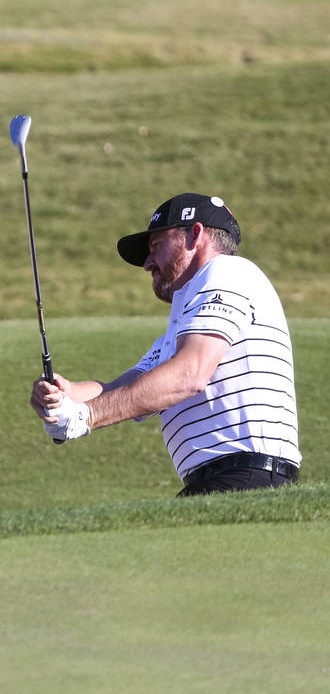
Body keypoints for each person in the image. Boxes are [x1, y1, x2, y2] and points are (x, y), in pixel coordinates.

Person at [31, 193, 301, 496]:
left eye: (156, 246)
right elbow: (127, 387)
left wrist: (86, 416)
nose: (148, 264)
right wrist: (66, 395)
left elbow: (189, 375)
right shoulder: (185, 326)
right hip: (225, 479)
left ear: (195, 235)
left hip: (247, 476)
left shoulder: (226, 271)